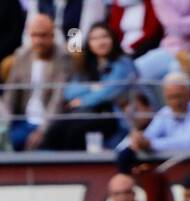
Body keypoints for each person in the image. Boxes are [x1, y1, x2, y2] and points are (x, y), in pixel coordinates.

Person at [40, 21, 134, 150]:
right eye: (94, 38)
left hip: (111, 116)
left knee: (75, 133)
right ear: (89, 43)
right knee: (53, 132)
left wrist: (83, 101)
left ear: (112, 38)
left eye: (104, 37)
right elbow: (69, 91)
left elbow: (108, 92)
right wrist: (92, 87)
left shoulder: (123, 63)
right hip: (86, 114)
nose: (101, 42)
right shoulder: (87, 65)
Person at [1, 13, 72, 149]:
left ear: (52, 35)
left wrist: (42, 131)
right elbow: (9, 96)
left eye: (43, 35)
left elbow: (58, 100)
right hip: (23, 120)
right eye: (34, 35)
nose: (39, 41)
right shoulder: (21, 55)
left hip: (51, 123)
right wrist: (3, 126)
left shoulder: (62, 57)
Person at [126, 72, 190, 151]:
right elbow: (148, 136)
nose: (175, 102)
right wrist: (139, 139)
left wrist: (150, 144)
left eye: (178, 96)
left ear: (189, 94)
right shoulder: (165, 112)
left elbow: (189, 144)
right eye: (170, 97)